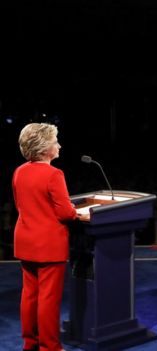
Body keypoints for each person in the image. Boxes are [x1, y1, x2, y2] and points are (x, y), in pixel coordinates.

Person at [12, 123, 82, 351]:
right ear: (44, 148)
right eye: (55, 141)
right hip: (49, 245)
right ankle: (50, 347)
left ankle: (30, 343)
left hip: (26, 240)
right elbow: (65, 213)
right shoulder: (54, 174)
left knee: (29, 295)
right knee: (48, 300)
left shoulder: (19, 172)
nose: (59, 145)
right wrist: (72, 209)